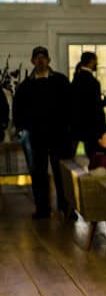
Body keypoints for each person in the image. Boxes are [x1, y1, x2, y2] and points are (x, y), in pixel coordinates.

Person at [12, 46, 73, 218]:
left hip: (59, 135)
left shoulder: (61, 81)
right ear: (32, 61)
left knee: (62, 173)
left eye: (43, 57)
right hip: (36, 136)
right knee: (38, 174)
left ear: (49, 60)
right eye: (37, 57)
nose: (40, 60)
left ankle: (66, 207)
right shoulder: (25, 86)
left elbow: (71, 106)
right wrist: (21, 127)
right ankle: (42, 208)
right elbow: (17, 110)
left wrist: (69, 129)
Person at [71, 51, 106, 156]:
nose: (97, 64)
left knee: (76, 154)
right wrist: (105, 101)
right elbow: (95, 105)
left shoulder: (76, 80)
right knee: (91, 154)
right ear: (91, 61)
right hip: (91, 125)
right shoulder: (92, 82)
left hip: (77, 124)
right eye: (96, 61)